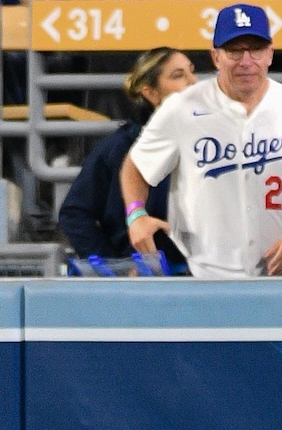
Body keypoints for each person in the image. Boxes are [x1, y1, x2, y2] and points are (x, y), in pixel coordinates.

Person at [122, 3, 282, 278]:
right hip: (206, 280)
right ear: (215, 57)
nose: (246, 61)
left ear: (270, 54)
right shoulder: (182, 108)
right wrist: (135, 214)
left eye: (256, 49)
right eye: (235, 51)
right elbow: (136, 167)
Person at [59, 48, 196, 270]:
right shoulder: (118, 147)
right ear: (151, 93)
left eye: (192, 72)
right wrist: (114, 266)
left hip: (203, 276)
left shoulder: (210, 142)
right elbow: (74, 213)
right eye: (178, 75)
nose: (193, 82)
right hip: (144, 281)